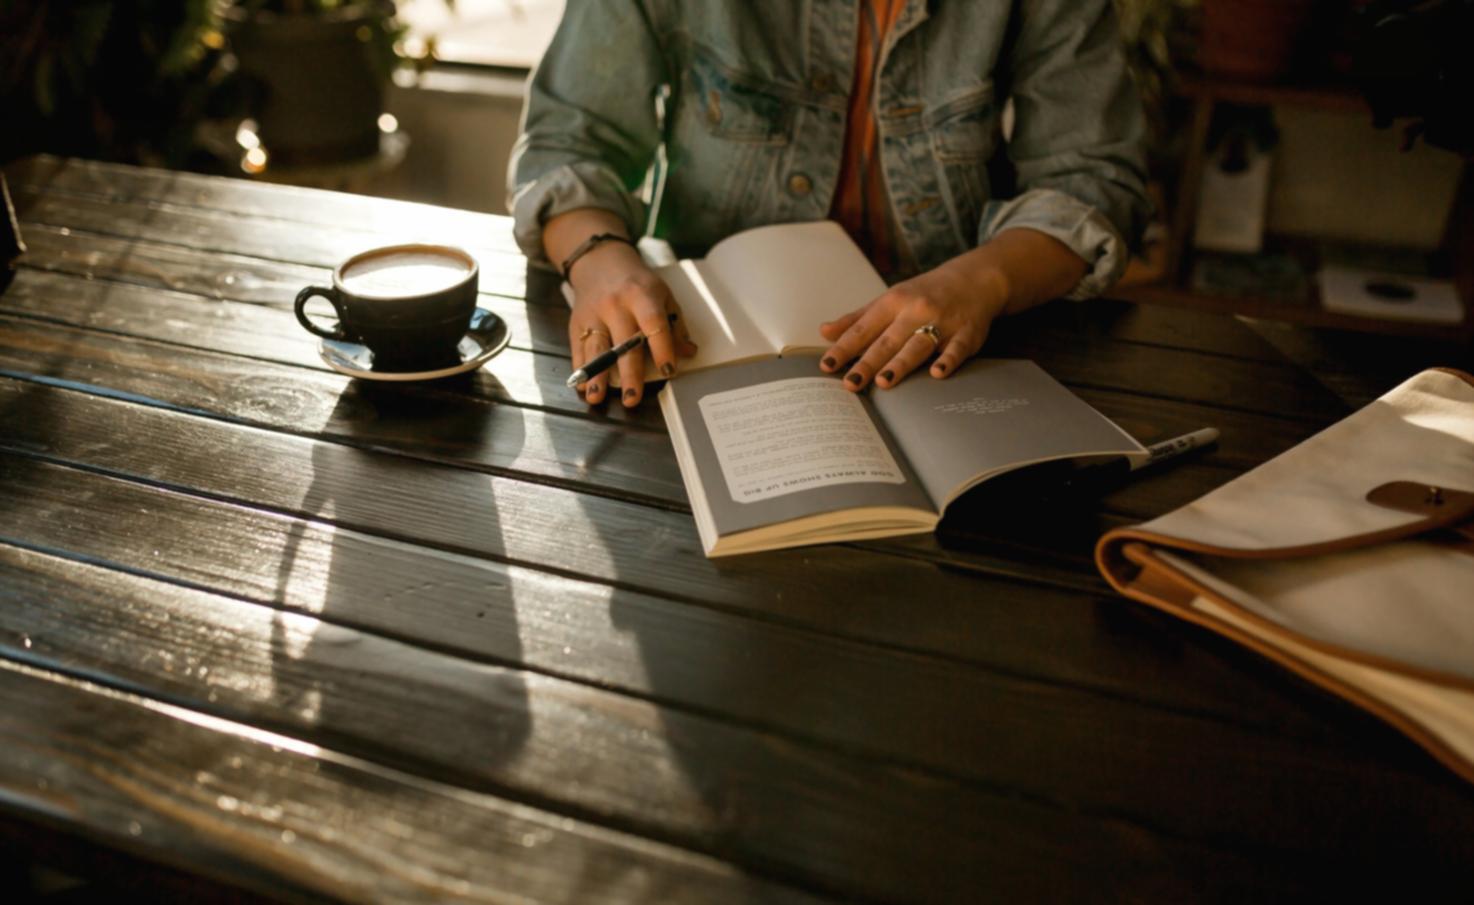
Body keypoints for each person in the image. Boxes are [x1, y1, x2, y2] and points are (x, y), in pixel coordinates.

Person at [509, 0, 1150, 407]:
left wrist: (979, 281)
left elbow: (1091, 180)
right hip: (700, 350)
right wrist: (599, 259)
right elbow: (571, 136)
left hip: (953, 359)